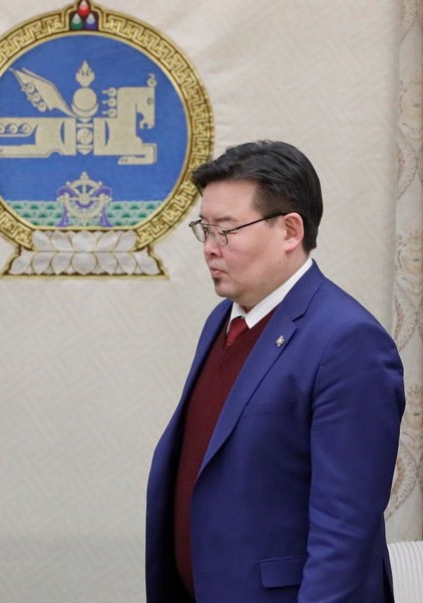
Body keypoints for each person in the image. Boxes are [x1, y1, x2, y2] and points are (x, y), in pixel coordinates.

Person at [145, 140, 405, 602]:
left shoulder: (348, 342)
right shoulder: (224, 321)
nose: (209, 249)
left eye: (226, 231)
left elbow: (345, 533)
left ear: (289, 230)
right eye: (204, 230)